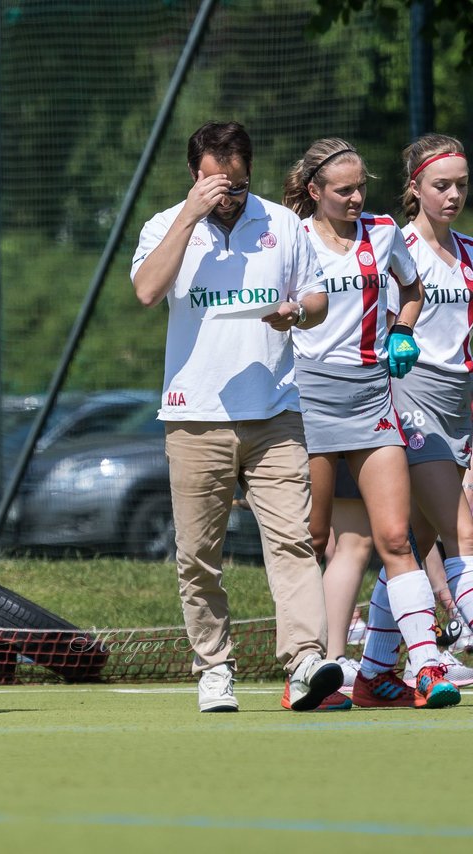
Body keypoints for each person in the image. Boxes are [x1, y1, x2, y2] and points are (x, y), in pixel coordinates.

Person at [130, 121, 342, 713]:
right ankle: (215, 668)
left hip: (277, 411)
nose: (228, 195)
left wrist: (297, 312)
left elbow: (318, 298)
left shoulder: (284, 224)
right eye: (214, 184)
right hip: (193, 415)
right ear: (194, 177)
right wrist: (188, 218)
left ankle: (304, 662)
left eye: (238, 184)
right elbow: (147, 292)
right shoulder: (163, 226)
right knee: (198, 554)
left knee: (295, 542)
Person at [281, 138, 457, 709]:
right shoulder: (291, 237)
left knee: (395, 537)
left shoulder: (382, 233)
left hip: (372, 398)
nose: (357, 198)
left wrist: (403, 330)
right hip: (308, 398)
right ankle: (306, 668)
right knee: (311, 540)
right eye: (344, 190)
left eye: (361, 187)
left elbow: (413, 287)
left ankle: (425, 667)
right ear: (315, 193)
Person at [357, 134, 473, 693]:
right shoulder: (396, 250)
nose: (453, 195)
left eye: (461, 185)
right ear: (415, 189)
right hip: (412, 402)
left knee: (414, 536)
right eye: (441, 185)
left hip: (459, 409)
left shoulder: (471, 253)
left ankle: (376, 670)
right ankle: (433, 655)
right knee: (463, 531)